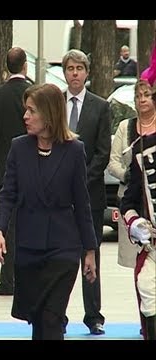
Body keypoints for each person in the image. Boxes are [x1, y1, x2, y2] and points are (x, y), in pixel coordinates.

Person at [0, 83, 97, 340]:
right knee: (38, 320)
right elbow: (8, 193)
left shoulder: (74, 150)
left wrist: (90, 250)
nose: (25, 117)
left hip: (63, 248)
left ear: (49, 114)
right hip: (29, 248)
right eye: (25, 110)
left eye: (32, 111)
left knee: (52, 318)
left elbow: (82, 203)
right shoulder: (19, 147)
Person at [62, 49, 111, 336]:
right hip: (59, 197)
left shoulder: (100, 106)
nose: (75, 73)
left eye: (80, 68)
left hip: (89, 196)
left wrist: (80, 182)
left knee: (90, 256)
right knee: (62, 257)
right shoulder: (56, 102)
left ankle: (94, 315)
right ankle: (58, 314)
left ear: (87, 72)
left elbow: (103, 153)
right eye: (70, 68)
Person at [0, 46, 30, 297]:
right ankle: (27, 276)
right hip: (34, 164)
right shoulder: (34, 93)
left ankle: (7, 279)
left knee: (8, 224)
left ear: (6, 67)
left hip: (5, 166)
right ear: (25, 66)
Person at [119, 75, 156, 340]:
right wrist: (136, 224)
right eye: (139, 96)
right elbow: (128, 202)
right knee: (146, 286)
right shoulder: (139, 152)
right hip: (153, 244)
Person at [107, 108, 141, 269]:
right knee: (135, 266)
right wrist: (126, 175)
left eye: (147, 95)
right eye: (138, 96)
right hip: (129, 202)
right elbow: (112, 163)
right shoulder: (125, 127)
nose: (142, 100)